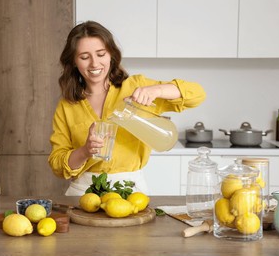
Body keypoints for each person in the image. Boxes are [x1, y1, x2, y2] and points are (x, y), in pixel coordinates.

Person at [48, 21, 206, 196]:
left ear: (111, 55)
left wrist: (156, 90)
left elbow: (197, 95)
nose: (94, 64)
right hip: (84, 194)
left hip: (130, 192)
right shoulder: (67, 105)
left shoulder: (135, 87)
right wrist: (85, 150)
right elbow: (57, 164)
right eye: (84, 57)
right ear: (74, 61)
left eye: (101, 54)